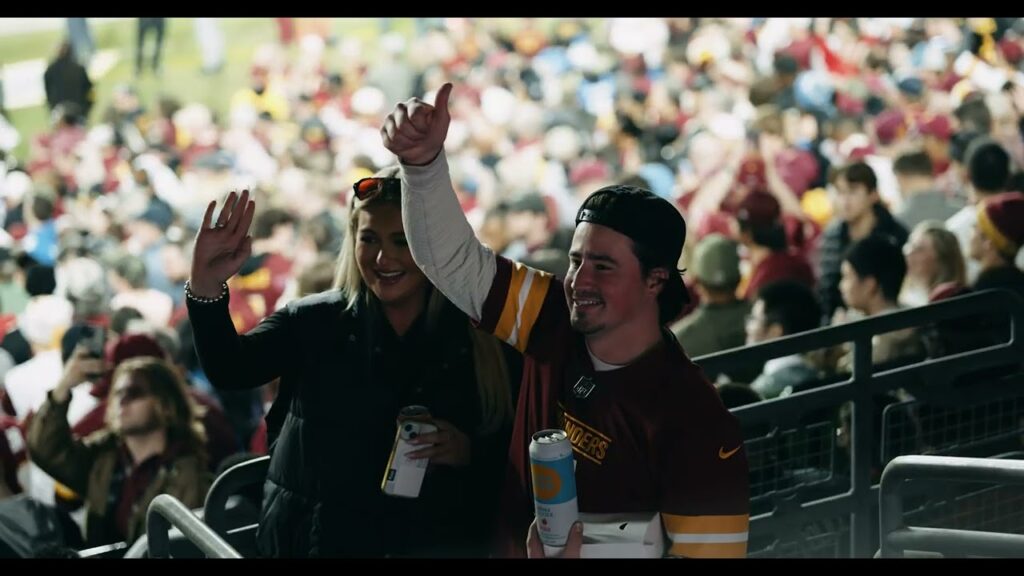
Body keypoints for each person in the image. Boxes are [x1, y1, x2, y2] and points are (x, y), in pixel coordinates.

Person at [382, 83, 749, 558]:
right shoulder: (550, 316)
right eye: (577, 260)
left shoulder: (694, 419)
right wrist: (422, 166)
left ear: (656, 280)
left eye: (603, 266)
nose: (578, 280)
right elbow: (452, 262)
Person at [186, 170, 518, 557]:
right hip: (318, 542)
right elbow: (230, 369)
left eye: (402, 241)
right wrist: (205, 286)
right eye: (369, 239)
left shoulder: (481, 337)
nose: (383, 257)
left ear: (433, 245)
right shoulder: (311, 321)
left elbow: (522, 446)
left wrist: (469, 452)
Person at [26, 354, 210, 547]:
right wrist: (63, 387)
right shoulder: (104, 458)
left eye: (134, 392)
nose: (122, 401)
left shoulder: (189, 474)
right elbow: (46, 450)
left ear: (165, 404)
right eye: (118, 393)